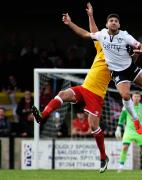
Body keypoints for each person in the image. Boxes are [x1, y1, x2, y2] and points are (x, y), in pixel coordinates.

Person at [32, 2, 111, 173]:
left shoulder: (117, 59)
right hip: (84, 87)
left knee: (93, 127)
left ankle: (103, 157)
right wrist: (89, 16)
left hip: (96, 95)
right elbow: (92, 33)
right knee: (62, 93)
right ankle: (42, 116)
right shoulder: (102, 48)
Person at [62, 9, 142, 135]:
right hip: (118, 73)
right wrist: (70, 23)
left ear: (119, 25)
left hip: (130, 68)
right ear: (107, 24)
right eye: (111, 21)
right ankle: (135, 119)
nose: (113, 22)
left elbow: (141, 46)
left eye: (116, 21)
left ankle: (139, 89)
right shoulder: (102, 35)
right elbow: (85, 34)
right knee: (125, 95)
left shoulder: (125, 36)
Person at [115, 91, 142, 172]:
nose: (136, 98)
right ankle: (121, 166)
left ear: (140, 98)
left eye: (138, 97)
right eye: (135, 97)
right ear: (132, 97)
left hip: (139, 131)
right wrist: (118, 128)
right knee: (124, 147)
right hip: (129, 131)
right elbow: (122, 118)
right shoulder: (126, 106)